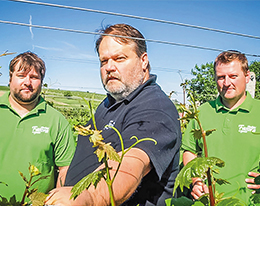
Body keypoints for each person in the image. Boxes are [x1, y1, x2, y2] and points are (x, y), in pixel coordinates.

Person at [45, 23, 181, 206]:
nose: (109, 67)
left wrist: (86, 199)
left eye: (119, 58)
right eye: (103, 61)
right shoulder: (110, 102)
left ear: (144, 60)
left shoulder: (155, 107)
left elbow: (130, 164)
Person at [182, 50, 260, 205]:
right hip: (210, 203)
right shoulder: (202, 112)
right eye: (221, 77)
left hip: (251, 202)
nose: (226, 83)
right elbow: (189, 150)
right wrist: (196, 181)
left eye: (233, 76)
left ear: (246, 76)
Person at [0, 52, 75, 203]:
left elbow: (64, 169)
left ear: (41, 81)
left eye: (34, 77)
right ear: (10, 78)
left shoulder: (57, 121)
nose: (28, 82)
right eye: (21, 75)